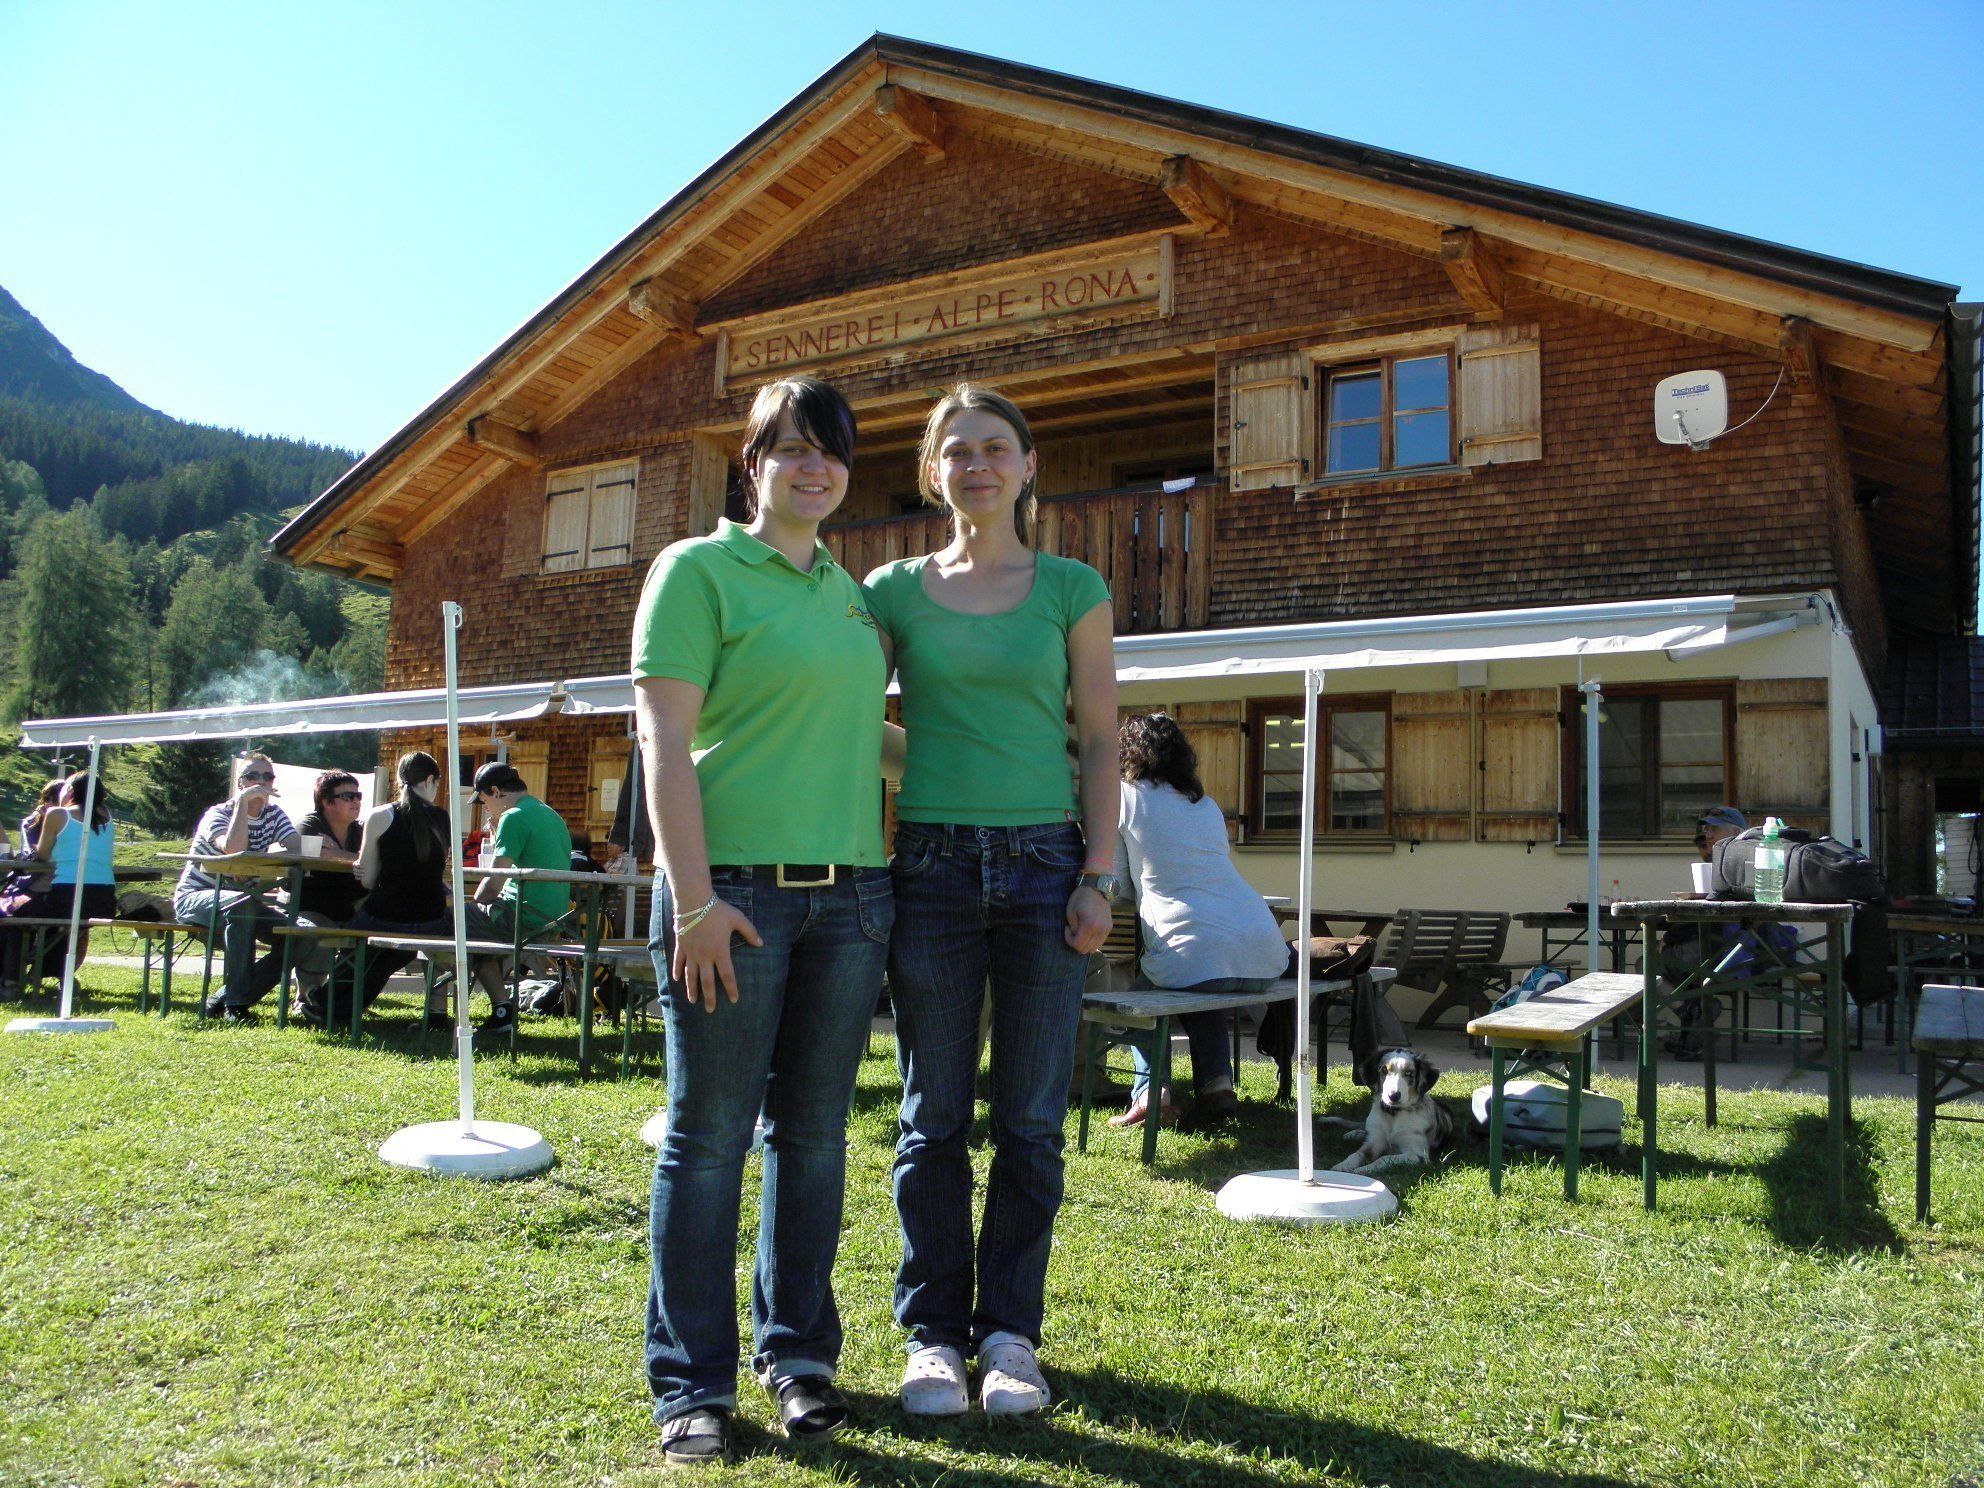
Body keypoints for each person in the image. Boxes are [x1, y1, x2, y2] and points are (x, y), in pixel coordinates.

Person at [634, 375, 893, 1465]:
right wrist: (695, 901)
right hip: (731, 896)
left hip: (853, 898)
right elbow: (661, 741)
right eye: (791, 448)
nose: (813, 467)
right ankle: (691, 1385)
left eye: (830, 451)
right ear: (752, 465)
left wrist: (1016, 755)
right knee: (707, 1141)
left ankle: (797, 1361)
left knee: (816, 1138)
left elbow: (866, 739)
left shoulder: (851, 596)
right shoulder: (695, 571)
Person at [863, 383, 1117, 1419]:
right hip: (927, 868)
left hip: (1047, 868)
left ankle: (1009, 1336)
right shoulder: (889, 591)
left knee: (1030, 1120)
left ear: (1027, 465)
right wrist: (921, 766)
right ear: (934, 471)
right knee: (931, 1116)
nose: (977, 465)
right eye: (957, 450)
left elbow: (1099, 740)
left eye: (995, 448)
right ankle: (932, 1336)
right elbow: (848, 715)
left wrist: (1098, 872)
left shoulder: (1072, 587)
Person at [1107, 713, 1289, 1132]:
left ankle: (1150, 1096)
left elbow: (1115, 886)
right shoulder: (1204, 805)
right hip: (1262, 949)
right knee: (1201, 986)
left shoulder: (1123, 798)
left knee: (1142, 1002)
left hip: (1191, 949)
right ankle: (1217, 1086)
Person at [306, 751, 513, 1031]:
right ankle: (333, 1006)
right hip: (430, 919)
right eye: (437, 783)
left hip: (385, 915)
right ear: (428, 781)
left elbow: (368, 882)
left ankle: (327, 1002)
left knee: (360, 943)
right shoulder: (443, 818)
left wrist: (365, 870)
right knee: (396, 952)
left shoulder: (380, 816)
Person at [173, 753, 321, 1024]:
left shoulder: (274, 814)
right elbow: (232, 849)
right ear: (239, 783)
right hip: (195, 898)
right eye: (252, 776)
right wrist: (242, 804)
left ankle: (224, 998)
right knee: (241, 906)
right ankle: (236, 1005)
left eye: (267, 776)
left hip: (246, 902)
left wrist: (322, 846)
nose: (260, 782)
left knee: (305, 935)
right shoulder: (218, 813)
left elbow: (297, 847)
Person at [0, 771, 116, 998]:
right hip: (104, 903)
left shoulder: (57, 814)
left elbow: (43, 855)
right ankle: (44, 972)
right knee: (59, 924)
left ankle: (10, 980)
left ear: (70, 791)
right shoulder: (107, 817)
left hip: (66, 899)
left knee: (10, 911)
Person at [1662, 805, 1747, 1058]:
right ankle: (1693, 1020)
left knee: (1647, 966)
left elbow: (1709, 914)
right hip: (1740, 948)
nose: (1708, 835)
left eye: (1714, 830)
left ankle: (1691, 1012)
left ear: (1735, 833)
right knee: (1657, 964)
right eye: (1707, 829)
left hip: (1724, 950)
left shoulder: (1729, 865)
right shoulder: (1738, 861)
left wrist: (1669, 937)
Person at [468, 763, 572, 959]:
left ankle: (449, 978)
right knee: (478, 932)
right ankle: (493, 975)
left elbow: (492, 885)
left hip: (522, 919)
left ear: (496, 791)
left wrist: (472, 905)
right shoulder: (551, 814)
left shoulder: (512, 817)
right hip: (554, 920)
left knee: (453, 920)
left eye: (484, 801)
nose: (487, 809)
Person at [289, 771, 367, 1017]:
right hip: (311, 905)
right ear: (326, 802)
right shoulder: (310, 825)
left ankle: (340, 997)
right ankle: (306, 996)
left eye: (358, 795)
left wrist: (340, 855)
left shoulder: (361, 831)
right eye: (348, 796)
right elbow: (316, 854)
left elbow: (377, 859)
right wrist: (355, 858)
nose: (356, 801)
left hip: (349, 905)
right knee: (319, 931)